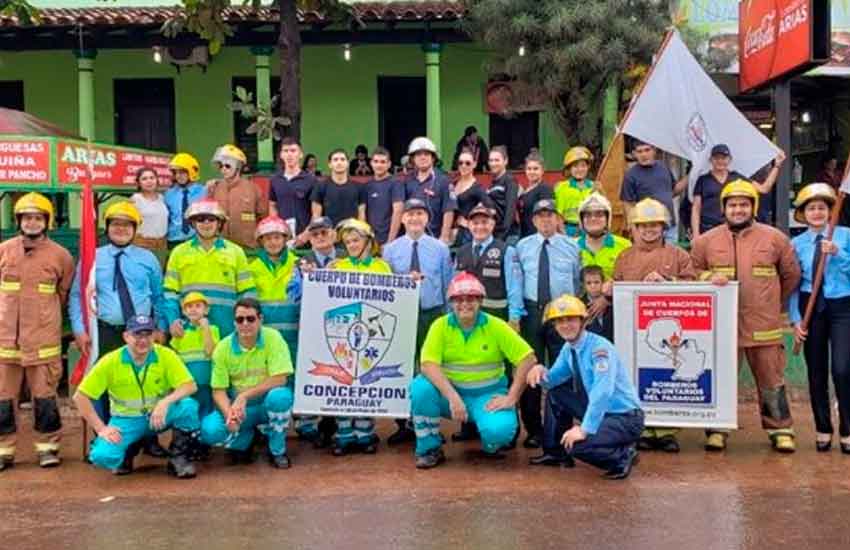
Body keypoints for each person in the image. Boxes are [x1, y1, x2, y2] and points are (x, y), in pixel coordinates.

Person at [691, 180, 801, 452]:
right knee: (721, 378)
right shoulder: (706, 241)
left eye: (743, 204)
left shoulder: (775, 238)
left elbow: (791, 276)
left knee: (771, 378)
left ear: (753, 207)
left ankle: (781, 428)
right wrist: (707, 276)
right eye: (732, 204)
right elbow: (690, 274)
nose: (738, 209)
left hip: (764, 325)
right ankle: (718, 428)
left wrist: (770, 302)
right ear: (723, 208)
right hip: (721, 327)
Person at [410, 272, 542, 468]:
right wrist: (454, 398)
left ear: (480, 301)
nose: (464, 304)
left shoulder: (496, 326)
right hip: (450, 397)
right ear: (451, 303)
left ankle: (491, 442)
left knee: (500, 431)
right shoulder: (440, 326)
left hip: (487, 397)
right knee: (420, 388)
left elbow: (527, 358)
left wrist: (512, 398)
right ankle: (429, 448)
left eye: (471, 298)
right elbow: (428, 365)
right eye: (458, 299)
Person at [69, 201, 168, 460]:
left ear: (135, 229)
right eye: (115, 224)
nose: (121, 229)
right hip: (105, 331)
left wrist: (161, 327)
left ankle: (150, 439)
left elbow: (159, 297)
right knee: (102, 386)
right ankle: (104, 434)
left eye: (127, 224)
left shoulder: (148, 259)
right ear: (107, 227)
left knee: (147, 383)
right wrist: (80, 330)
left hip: (142, 330)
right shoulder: (93, 258)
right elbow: (77, 296)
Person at [527, 295, 643, 480]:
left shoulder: (599, 348)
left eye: (571, 319)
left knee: (576, 446)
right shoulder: (569, 348)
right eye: (560, 321)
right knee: (556, 394)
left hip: (624, 416)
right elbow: (553, 380)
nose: (565, 325)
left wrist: (584, 429)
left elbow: (602, 392)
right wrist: (540, 372)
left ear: (583, 321)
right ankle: (555, 453)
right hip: (602, 412)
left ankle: (622, 456)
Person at [612, 198, 696, 453]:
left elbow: (693, 285)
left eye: (655, 225)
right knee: (637, 379)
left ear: (663, 227)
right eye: (643, 225)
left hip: (669, 330)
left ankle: (668, 431)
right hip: (633, 332)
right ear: (634, 228)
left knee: (667, 377)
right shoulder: (624, 257)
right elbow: (616, 287)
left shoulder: (678, 254)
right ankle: (643, 428)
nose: (649, 230)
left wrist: (668, 280)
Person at [73, 314, 200, 478]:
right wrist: (101, 428)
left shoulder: (166, 355)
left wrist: (165, 403)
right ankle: (127, 451)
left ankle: (179, 458)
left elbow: (190, 386)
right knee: (101, 456)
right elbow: (80, 396)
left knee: (188, 407)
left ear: (154, 336)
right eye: (137, 334)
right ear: (126, 337)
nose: (143, 340)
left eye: (148, 334)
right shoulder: (111, 361)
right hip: (127, 421)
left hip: (159, 415)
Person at [0, 193, 74, 470]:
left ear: (47, 221)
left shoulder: (61, 255)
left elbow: (63, 293)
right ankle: (4, 450)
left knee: (44, 398)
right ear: (18, 220)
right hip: (5, 339)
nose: (32, 222)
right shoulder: (4, 250)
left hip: (43, 340)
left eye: (38, 217)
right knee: (3, 399)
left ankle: (48, 448)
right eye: (27, 217)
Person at [452, 202, 524, 444]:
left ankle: (510, 426)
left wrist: (514, 317)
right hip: (464, 320)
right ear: (469, 225)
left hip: (498, 319)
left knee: (503, 373)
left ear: (492, 224)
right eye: (475, 222)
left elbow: (514, 286)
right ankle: (469, 426)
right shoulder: (461, 251)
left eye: (485, 222)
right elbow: (453, 288)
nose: (480, 226)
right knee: (467, 368)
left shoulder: (506, 250)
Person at [383, 199, 454, 444]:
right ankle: (403, 423)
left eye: (420, 214)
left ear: (427, 219)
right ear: (402, 219)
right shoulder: (390, 250)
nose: (415, 218)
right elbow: (386, 284)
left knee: (430, 368)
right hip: (401, 315)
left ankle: (429, 424)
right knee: (401, 369)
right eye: (410, 214)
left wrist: (447, 317)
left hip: (431, 314)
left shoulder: (440, 249)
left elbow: (447, 284)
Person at [789, 183, 850, 454]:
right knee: (815, 373)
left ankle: (848, 430)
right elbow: (791, 286)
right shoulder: (796, 243)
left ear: (830, 210)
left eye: (822, 207)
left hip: (842, 306)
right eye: (811, 208)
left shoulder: (846, 236)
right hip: (810, 308)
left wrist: (840, 254)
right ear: (803, 213)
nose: (816, 212)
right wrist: (795, 320)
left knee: (842, 369)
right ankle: (823, 428)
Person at [515, 199, 581, 447]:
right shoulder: (522, 247)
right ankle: (534, 430)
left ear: (558, 219)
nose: (545, 220)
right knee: (530, 370)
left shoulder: (571, 248)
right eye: (540, 216)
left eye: (550, 215)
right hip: (531, 312)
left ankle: (560, 429)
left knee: (561, 372)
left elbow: (576, 283)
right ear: (533, 220)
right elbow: (518, 281)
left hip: (560, 314)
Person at [200, 298, 295, 469]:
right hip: (240, 410)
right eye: (239, 319)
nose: (245, 324)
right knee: (210, 432)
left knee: (280, 397)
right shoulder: (223, 348)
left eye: (250, 319)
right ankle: (247, 437)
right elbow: (218, 390)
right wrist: (230, 414)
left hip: (266, 404)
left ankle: (277, 451)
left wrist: (244, 396)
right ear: (234, 322)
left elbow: (281, 378)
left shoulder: (273, 338)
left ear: (261, 319)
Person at [326, 219, 393, 455]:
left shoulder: (382, 267)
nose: (352, 245)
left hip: (371, 336)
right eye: (348, 242)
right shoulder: (337, 266)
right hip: (342, 336)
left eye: (356, 240)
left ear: (368, 241)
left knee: (366, 380)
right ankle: (343, 433)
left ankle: (365, 434)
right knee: (343, 382)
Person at [163, 198, 256, 339]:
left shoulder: (235, 252)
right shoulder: (178, 252)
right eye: (200, 219)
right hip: (189, 330)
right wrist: (173, 320)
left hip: (228, 330)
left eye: (211, 219)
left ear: (219, 223)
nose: (206, 223)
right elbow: (170, 292)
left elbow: (247, 292)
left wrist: (244, 322)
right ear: (193, 223)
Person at [691, 144, 786, 238]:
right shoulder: (703, 180)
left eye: (723, 158)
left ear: (729, 160)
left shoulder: (736, 177)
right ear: (711, 160)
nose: (720, 161)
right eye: (716, 158)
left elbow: (764, 189)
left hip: (733, 229)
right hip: (708, 229)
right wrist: (696, 234)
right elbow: (696, 209)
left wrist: (777, 166)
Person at [620, 140, 687, 242]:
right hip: (648, 230)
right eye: (640, 151)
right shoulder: (631, 175)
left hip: (670, 227)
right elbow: (628, 205)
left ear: (654, 150)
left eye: (647, 150)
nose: (644, 154)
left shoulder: (663, 167)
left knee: (670, 258)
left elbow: (673, 191)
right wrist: (634, 232)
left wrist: (691, 175)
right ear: (634, 154)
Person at [169, 292, 220, 421]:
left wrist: (205, 329)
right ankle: (190, 432)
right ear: (184, 311)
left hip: (206, 381)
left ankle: (205, 434)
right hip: (187, 383)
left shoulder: (213, 329)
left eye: (198, 306)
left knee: (207, 411)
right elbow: (173, 357)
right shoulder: (181, 332)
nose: (193, 309)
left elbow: (211, 352)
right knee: (189, 409)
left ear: (206, 310)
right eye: (189, 306)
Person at [207, 144, 268, 249]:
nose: (223, 170)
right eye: (220, 166)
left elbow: (264, 218)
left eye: (227, 166)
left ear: (238, 167)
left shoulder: (253, 189)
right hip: (221, 248)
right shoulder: (215, 188)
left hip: (248, 249)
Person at [403, 137, 456, 244]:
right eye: (418, 154)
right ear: (413, 159)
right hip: (411, 239)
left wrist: (444, 237)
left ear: (433, 158)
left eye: (426, 154)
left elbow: (449, 210)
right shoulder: (407, 180)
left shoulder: (444, 180)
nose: (423, 157)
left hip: (435, 239)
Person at [269, 138, 316, 248]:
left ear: (300, 155)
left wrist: (306, 234)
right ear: (281, 155)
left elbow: (316, 213)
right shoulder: (275, 180)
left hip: (306, 240)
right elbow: (272, 205)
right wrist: (276, 230)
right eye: (286, 151)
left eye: (293, 151)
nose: (289, 155)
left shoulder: (310, 180)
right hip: (282, 238)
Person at [311, 149, 366, 225]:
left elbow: (361, 217)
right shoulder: (320, 187)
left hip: (351, 234)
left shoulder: (359, 187)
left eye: (342, 159)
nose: (339, 162)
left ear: (348, 163)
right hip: (328, 234)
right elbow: (316, 217)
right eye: (335, 160)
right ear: (330, 164)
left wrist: (359, 234)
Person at [164, 153, 206, 248]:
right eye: (176, 173)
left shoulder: (204, 192)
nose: (178, 176)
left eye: (182, 172)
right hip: (174, 241)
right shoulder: (169, 194)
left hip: (197, 240)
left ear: (192, 172)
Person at [364, 146, 404, 245]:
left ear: (389, 164)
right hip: (372, 242)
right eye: (376, 161)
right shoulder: (368, 186)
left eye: (383, 162)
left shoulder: (396, 184)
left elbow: (398, 212)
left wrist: (390, 242)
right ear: (371, 163)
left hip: (391, 241)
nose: (379, 165)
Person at [554, 146, 597, 237]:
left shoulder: (594, 187)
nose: (580, 169)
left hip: (591, 230)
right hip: (569, 231)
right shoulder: (562, 188)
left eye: (583, 166)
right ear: (569, 169)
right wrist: (564, 236)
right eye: (575, 166)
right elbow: (558, 216)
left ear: (588, 167)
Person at [452, 149, 491, 247]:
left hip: (467, 235)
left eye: (468, 163)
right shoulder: (454, 183)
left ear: (474, 164)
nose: (463, 166)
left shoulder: (477, 188)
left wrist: (470, 223)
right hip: (451, 233)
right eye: (460, 163)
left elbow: (491, 210)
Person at [130, 166, 169, 261]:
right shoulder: (135, 199)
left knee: (158, 274)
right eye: (144, 179)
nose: (149, 181)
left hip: (161, 246)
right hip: (142, 245)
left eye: (152, 178)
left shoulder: (162, 198)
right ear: (138, 183)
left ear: (157, 180)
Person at [517, 152, 554, 238]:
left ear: (542, 170)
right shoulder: (525, 191)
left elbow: (548, 216)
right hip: (525, 235)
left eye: (535, 169)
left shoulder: (545, 189)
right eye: (529, 169)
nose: (532, 172)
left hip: (539, 236)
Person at [487, 146, 519, 241]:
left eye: (497, 160)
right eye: (491, 160)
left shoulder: (509, 181)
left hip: (507, 235)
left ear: (505, 161)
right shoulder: (492, 184)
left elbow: (510, 209)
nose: (493, 163)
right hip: (495, 233)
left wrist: (502, 236)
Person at [580, 266, 613, 342]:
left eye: (596, 282)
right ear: (583, 285)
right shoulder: (579, 306)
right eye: (588, 283)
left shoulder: (611, 302)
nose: (593, 286)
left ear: (603, 282)